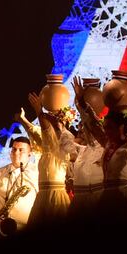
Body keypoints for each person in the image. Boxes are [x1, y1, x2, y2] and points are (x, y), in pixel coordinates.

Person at [73, 76, 127, 233]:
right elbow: (92, 124)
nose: (105, 131)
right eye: (106, 127)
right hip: (108, 198)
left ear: (120, 129)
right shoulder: (108, 144)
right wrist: (82, 101)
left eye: (109, 127)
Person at [17, 93, 75, 227]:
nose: (50, 120)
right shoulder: (47, 145)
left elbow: (46, 130)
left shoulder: (64, 139)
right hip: (43, 195)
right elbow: (35, 131)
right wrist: (22, 119)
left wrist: (39, 111)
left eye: (54, 117)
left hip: (56, 196)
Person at [0, 137, 38, 238]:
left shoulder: (37, 173)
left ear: (30, 153)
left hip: (25, 230)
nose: (16, 153)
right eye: (14, 149)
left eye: (21, 150)